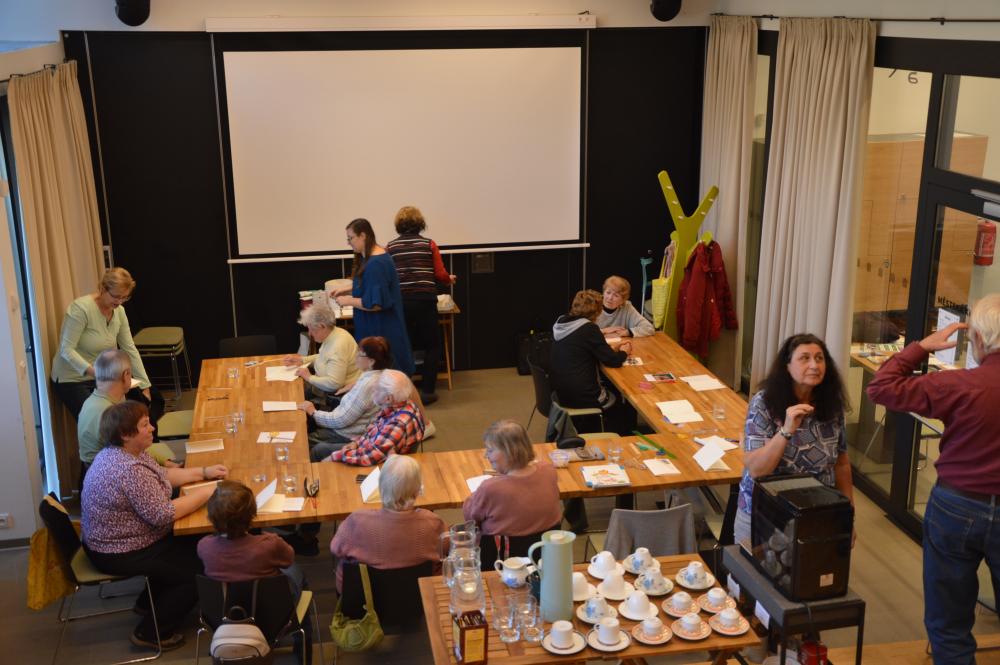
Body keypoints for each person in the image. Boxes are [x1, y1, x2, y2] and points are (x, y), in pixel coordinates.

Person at [866, 294, 1000, 665]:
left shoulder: (958, 385)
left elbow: (881, 388)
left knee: (949, 623)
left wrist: (921, 347)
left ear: (978, 339)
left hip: (956, 507)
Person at [81, 401, 228, 650]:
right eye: (144, 425)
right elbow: (163, 515)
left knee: (193, 544)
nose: (152, 428)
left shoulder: (124, 453)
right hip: (117, 551)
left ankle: (147, 603)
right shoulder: (129, 469)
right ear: (125, 434)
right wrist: (208, 492)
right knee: (196, 571)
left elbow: (164, 475)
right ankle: (151, 633)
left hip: (113, 540)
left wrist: (204, 472)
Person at [735, 333, 854, 545]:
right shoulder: (764, 403)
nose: (814, 365)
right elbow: (757, 470)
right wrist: (786, 431)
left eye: (819, 358)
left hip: (816, 512)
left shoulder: (831, 405)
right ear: (787, 367)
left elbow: (841, 464)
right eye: (804, 358)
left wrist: (848, 515)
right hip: (766, 515)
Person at [50, 267, 164, 424]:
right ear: (103, 288)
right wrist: (96, 373)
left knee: (127, 419)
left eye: (124, 297)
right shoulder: (80, 309)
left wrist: (145, 386)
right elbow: (66, 349)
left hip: (102, 377)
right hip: (72, 378)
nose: (119, 302)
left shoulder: (119, 312)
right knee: (101, 423)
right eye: (116, 296)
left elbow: (129, 348)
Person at [329, 455, 445, 592]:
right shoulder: (433, 523)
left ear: (381, 488)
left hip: (362, 599)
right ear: (417, 491)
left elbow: (335, 548)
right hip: (420, 597)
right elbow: (447, 550)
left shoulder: (356, 521)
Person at [386, 206, 457, 405]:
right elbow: (440, 274)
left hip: (401, 303)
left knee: (404, 345)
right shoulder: (429, 244)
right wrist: (449, 279)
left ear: (399, 225)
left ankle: (404, 391)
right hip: (425, 301)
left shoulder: (390, 247)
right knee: (432, 345)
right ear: (420, 224)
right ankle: (427, 391)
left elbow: (388, 276)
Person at [77, 350, 176, 486]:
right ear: (126, 375)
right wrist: (165, 466)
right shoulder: (110, 413)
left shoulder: (94, 401)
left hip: (107, 475)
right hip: (114, 481)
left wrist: (164, 462)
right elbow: (130, 455)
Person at [332, 218, 415, 376]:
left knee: (385, 378)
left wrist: (348, 300)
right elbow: (370, 285)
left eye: (351, 238)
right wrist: (346, 289)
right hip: (378, 329)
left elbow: (375, 304)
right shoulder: (373, 258)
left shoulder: (375, 264)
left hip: (381, 329)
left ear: (363, 235)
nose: (349, 243)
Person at [197, 480, 304, 600]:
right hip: (270, 605)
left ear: (211, 517)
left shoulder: (204, 546)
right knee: (295, 569)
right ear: (252, 514)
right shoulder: (270, 544)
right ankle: (300, 609)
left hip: (226, 607)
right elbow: (288, 559)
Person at [463, 420, 562, 541]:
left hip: (501, 551)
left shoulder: (490, 488)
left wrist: (474, 496)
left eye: (490, 450)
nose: (485, 455)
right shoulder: (548, 470)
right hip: (547, 548)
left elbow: (471, 519)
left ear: (510, 452)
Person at [550, 289, 632, 432]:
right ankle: (621, 431)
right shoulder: (589, 329)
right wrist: (624, 352)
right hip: (583, 397)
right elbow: (612, 361)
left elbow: (582, 348)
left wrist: (611, 349)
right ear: (598, 312)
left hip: (561, 392)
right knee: (619, 396)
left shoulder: (561, 322)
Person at [297, 335, 390, 459]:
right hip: (345, 424)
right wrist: (355, 384)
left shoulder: (367, 385)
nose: (355, 357)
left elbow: (341, 420)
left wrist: (313, 412)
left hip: (347, 433)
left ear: (371, 361)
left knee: (301, 442)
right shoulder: (377, 375)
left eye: (360, 355)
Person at [319, 369, 424, 466]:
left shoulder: (397, 424)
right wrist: (356, 443)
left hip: (380, 465)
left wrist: (336, 456)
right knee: (320, 449)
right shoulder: (404, 404)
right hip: (371, 449)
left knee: (319, 451)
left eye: (376, 390)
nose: (372, 391)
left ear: (388, 398)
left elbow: (370, 457)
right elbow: (374, 431)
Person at [282, 304, 361, 405]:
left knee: (292, 398)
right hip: (322, 387)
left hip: (336, 395)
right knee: (291, 394)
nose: (309, 333)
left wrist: (309, 377)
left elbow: (334, 384)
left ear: (322, 326)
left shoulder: (337, 346)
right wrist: (302, 360)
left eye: (311, 329)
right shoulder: (335, 332)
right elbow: (323, 357)